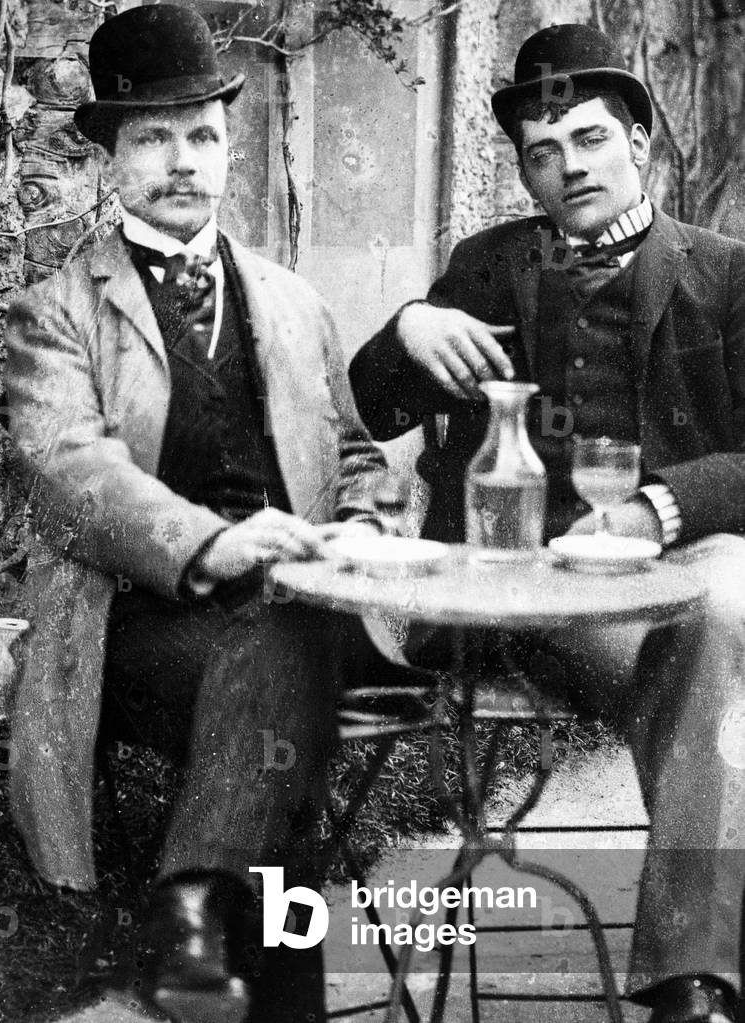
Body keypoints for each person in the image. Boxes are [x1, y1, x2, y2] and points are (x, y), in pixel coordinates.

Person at [3, 6, 406, 1022]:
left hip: (296, 602)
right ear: (111, 157)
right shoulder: (57, 310)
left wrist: (361, 529)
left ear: (228, 148)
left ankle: (192, 917)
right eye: (152, 137)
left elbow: (360, 459)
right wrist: (217, 542)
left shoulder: (291, 300)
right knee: (289, 691)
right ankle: (274, 986)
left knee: (286, 642)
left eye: (202, 135)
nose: (181, 160)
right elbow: (71, 471)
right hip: (142, 622)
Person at [349, 23, 745, 1023]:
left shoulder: (723, 278)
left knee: (716, 608)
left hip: (666, 577)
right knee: (718, 638)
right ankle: (692, 976)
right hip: (514, 599)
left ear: (638, 143)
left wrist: (659, 507)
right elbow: (378, 404)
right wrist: (407, 324)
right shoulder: (487, 269)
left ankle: (693, 971)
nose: (567, 168)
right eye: (540, 152)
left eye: (587, 139)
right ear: (523, 173)